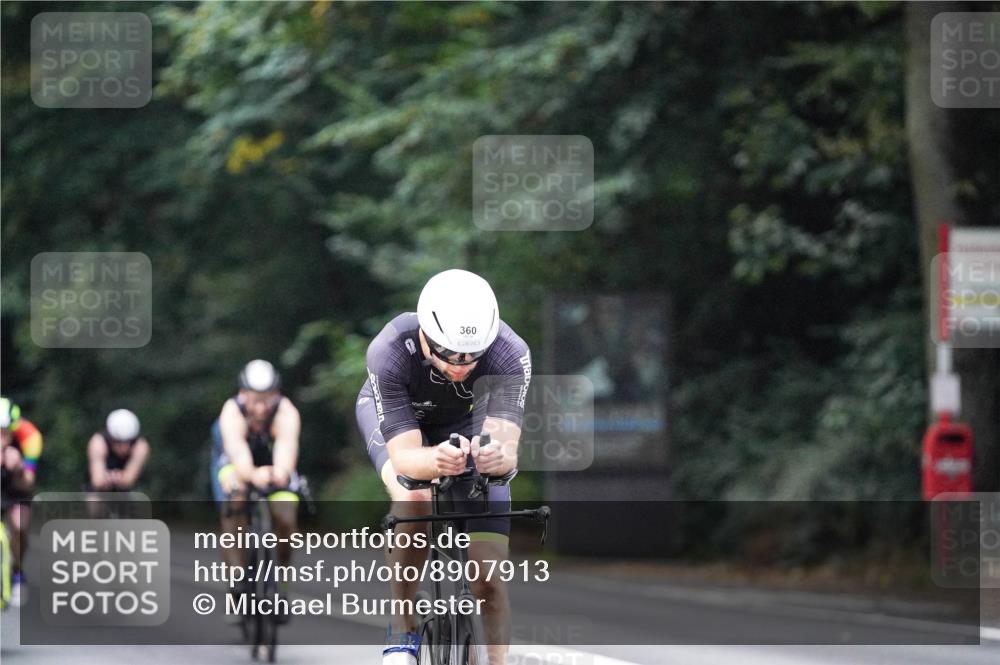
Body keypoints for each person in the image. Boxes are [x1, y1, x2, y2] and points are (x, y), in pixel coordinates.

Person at [356, 269, 532, 664]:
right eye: (450, 354)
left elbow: (506, 450)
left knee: (489, 577)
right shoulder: (389, 350)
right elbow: (405, 457)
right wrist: (434, 460)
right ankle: (403, 628)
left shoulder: (508, 352)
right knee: (413, 496)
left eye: (472, 357)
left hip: (467, 423)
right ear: (425, 335)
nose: (461, 366)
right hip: (402, 422)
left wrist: (493, 457)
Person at [210, 359, 301, 622]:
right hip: (237, 463)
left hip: (273, 464)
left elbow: (286, 449)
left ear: (276, 394)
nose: (261, 408)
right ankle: (237, 578)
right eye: (254, 400)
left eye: (267, 399)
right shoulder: (232, 411)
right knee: (234, 500)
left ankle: (281, 586)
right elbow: (237, 451)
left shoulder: (286, 411)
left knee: (286, 516)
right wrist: (251, 475)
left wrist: (279, 473)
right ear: (243, 394)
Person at [0, 396, 43, 607]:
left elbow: (29, 483)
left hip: (15, 488)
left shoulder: (30, 437)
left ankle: (19, 572)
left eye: (4, 433)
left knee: (19, 525)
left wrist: (16, 469)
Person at [86, 409, 151, 492]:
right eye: (118, 442)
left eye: (128, 442)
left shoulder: (141, 446)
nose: (124, 447)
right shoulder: (98, 442)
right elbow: (97, 481)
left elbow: (129, 480)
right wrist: (118, 478)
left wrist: (113, 478)